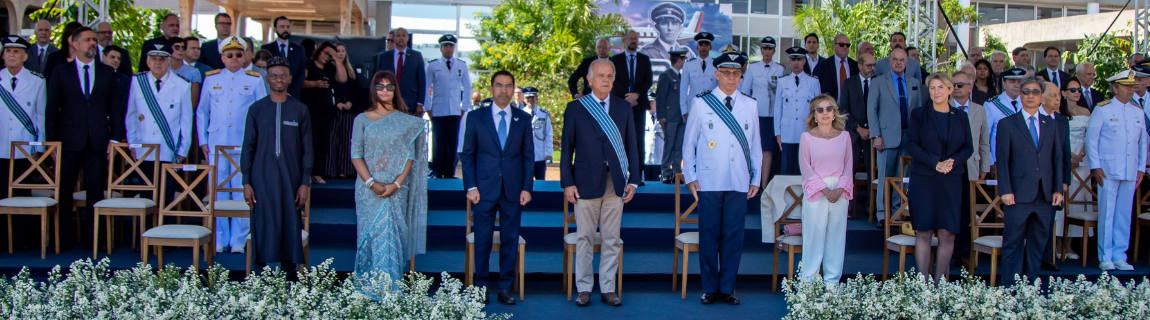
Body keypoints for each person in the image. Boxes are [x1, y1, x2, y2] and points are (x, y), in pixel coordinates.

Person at [560, 58, 640, 307]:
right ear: (590, 80)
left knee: (611, 238)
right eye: (601, 76)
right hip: (584, 182)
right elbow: (566, 150)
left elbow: (631, 147)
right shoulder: (575, 108)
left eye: (609, 76)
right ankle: (584, 288)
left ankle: (608, 288)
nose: (606, 80)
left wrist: (634, 180)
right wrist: (567, 182)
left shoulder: (623, 108)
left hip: (615, 181)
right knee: (584, 237)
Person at [683, 51, 760, 304]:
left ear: (741, 76)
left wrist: (756, 178)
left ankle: (727, 288)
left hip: (738, 180)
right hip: (709, 181)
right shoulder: (701, 103)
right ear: (717, 74)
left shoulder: (750, 105)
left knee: (733, 237)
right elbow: (689, 143)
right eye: (726, 73)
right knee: (709, 236)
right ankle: (709, 288)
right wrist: (690, 176)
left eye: (736, 73)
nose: (731, 78)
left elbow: (756, 146)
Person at [45, 27, 123, 247]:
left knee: (95, 192)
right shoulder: (61, 71)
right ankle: (62, 240)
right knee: (65, 190)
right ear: (74, 43)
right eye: (88, 40)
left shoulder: (107, 72)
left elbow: (115, 108)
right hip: (68, 141)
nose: (92, 43)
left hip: (97, 141)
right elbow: (51, 109)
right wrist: (51, 144)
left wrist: (115, 138)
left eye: (94, 40)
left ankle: (95, 240)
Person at [460, 70, 533, 305]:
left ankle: (505, 288)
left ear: (514, 89)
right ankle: (480, 287)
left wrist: (526, 188)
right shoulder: (476, 117)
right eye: (499, 86)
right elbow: (468, 155)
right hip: (483, 190)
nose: (504, 90)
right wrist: (470, 186)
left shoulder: (523, 119)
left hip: (513, 190)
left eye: (508, 86)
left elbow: (528, 157)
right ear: (491, 89)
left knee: (510, 239)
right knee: (482, 239)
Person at [350, 70, 428, 287]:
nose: (385, 90)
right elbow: (356, 154)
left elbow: (410, 156)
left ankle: (392, 290)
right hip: (368, 190)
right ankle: (368, 289)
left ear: (395, 90)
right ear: (373, 90)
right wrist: (371, 183)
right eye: (380, 86)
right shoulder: (361, 119)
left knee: (392, 238)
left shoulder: (406, 121)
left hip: (396, 190)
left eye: (389, 86)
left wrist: (396, 184)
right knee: (372, 237)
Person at [240, 55, 312, 281]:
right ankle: (260, 273)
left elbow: (307, 148)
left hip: (291, 179)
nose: (278, 79)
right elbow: (248, 146)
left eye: (282, 75)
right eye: (273, 76)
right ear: (267, 79)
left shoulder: (300, 109)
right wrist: (246, 181)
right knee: (262, 222)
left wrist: (305, 182)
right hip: (261, 178)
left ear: (289, 78)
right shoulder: (256, 109)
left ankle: (289, 273)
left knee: (289, 222)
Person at [196, 36, 268, 253]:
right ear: (222, 57)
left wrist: (258, 142)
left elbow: (262, 113)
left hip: (243, 143)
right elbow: (202, 111)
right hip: (216, 142)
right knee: (217, 190)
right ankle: (219, 237)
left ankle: (239, 238)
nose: (235, 58)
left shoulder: (254, 79)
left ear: (245, 55)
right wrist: (202, 141)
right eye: (230, 55)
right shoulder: (211, 79)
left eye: (239, 54)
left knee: (241, 189)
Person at [905, 73, 973, 282]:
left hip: (951, 180)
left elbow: (968, 147)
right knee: (924, 232)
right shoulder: (919, 114)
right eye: (933, 88)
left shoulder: (960, 116)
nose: (936, 92)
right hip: (924, 179)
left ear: (950, 90)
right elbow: (912, 145)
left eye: (941, 87)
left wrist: (950, 162)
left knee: (947, 233)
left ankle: (939, 284)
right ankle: (923, 284)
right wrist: (936, 162)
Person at [997, 77, 1064, 287]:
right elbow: (1003, 160)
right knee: (1013, 243)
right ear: (1021, 95)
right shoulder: (1007, 123)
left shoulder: (1052, 124)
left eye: (1035, 92)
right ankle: (1010, 288)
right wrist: (1005, 190)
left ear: (1042, 96)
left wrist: (1058, 189)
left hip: (1045, 195)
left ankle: (1031, 287)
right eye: (1026, 92)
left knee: (1038, 243)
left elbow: (1058, 159)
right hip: (1017, 194)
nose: (1031, 96)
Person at [1086, 70, 1148, 272]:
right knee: (1107, 213)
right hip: (1108, 169)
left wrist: (1140, 167)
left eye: (1133, 85)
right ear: (1115, 88)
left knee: (1123, 214)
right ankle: (1105, 256)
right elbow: (1091, 139)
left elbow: (1143, 142)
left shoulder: (1137, 110)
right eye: (1127, 86)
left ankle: (1120, 254)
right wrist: (1095, 166)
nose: (1132, 89)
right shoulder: (1103, 109)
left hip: (1130, 169)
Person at [125, 42, 193, 211]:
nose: (158, 62)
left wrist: (182, 151)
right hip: (144, 149)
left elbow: (186, 121)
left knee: (166, 200)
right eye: (154, 59)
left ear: (169, 61)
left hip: (168, 150)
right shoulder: (137, 81)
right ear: (147, 62)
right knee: (146, 200)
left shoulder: (182, 85)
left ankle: (163, 234)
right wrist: (132, 142)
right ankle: (146, 235)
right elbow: (131, 115)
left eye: (162, 59)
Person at [797, 94, 852, 288]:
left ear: (835, 112)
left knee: (836, 237)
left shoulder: (845, 136)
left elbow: (848, 165)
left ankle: (832, 284)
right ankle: (809, 284)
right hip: (816, 192)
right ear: (814, 114)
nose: (825, 113)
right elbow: (805, 167)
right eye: (820, 110)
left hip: (839, 191)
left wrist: (839, 188)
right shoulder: (806, 137)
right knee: (814, 236)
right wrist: (824, 189)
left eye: (829, 109)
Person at [0, 36, 46, 248]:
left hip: (24, 147)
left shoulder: (37, 81)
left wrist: (38, 147)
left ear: (25, 56)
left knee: (21, 194)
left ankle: (22, 240)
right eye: (8, 51)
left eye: (17, 51)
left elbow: (40, 116)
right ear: (3, 55)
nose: (12, 55)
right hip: (0, 145)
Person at [867, 48, 921, 227]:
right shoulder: (878, 81)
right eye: (895, 60)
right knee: (885, 176)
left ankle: (897, 212)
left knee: (902, 177)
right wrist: (876, 135)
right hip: (886, 137)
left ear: (907, 62)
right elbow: (871, 110)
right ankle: (882, 214)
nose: (899, 63)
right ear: (889, 62)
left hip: (909, 135)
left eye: (902, 60)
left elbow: (919, 112)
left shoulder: (914, 82)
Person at [948, 70, 990, 271]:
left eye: (961, 85)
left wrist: (984, 167)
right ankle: (948, 252)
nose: (957, 88)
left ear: (970, 87)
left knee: (966, 212)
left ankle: (963, 252)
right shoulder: (943, 108)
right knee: (950, 211)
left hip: (970, 168)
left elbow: (984, 142)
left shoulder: (979, 110)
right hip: (948, 169)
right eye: (954, 85)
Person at [737, 37, 784, 187]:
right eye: (765, 48)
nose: (767, 51)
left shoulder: (780, 69)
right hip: (757, 115)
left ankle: (764, 185)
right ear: (761, 50)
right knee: (755, 149)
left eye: (770, 49)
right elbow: (745, 92)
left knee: (769, 150)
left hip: (774, 116)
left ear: (774, 51)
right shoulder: (753, 68)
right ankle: (752, 181)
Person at [425, 34, 471, 179]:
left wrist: (464, 107)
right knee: (438, 142)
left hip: (454, 110)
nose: (448, 48)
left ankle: (449, 172)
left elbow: (467, 86)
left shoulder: (461, 65)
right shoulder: (433, 65)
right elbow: (426, 87)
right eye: (445, 45)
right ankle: (438, 172)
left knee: (452, 142)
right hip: (438, 110)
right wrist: (428, 108)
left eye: (451, 45)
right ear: (441, 48)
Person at [1055, 77, 1090, 260]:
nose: (1077, 93)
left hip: (1082, 163)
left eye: (1079, 90)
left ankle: (1070, 245)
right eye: (1073, 90)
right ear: (1064, 92)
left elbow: (1091, 137)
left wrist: (1081, 154)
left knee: (1079, 202)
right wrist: (1069, 157)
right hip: (1064, 161)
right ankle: (1058, 244)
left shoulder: (1086, 112)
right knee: (1062, 204)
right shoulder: (1059, 113)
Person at [301, 41, 345, 185]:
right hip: (310, 110)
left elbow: (343, 79)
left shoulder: (330, 68)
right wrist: (315, 84)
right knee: (309, 142)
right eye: (325, 52)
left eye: (330, 54)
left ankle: (317, 173)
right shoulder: (308, 63)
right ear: (319, 51)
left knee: (323, 143)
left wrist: (337, 59)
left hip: (327, 111)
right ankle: (306, 173)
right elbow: (299, 81)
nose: (327, 56)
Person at [612, 30, 654, 178]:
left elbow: (648, 80)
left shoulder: (644, 59)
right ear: (624, 41)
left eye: (635, 39)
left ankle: (637, 175)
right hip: (620, 106)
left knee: (638, 140)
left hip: (638, 106)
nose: (633, 41)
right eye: (630, 39)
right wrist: (627, 98)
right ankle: (621, 174)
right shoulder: (615, 60)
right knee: (620, 138)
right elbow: (614, 81)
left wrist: (636, 95)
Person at [1039, 80, 1071, 272]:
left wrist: (1064, 181)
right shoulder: (1032, 118)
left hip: (1053, 180)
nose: (1058, 99)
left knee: (1049, 220)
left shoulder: (1061, 121)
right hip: (1032, 179)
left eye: (1059, 95)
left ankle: (1047, 258)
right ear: (1042, 97)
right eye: (1053, 95)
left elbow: (1065, 153)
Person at [839, 53, 875, 217]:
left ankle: (871, 208)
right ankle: (848, 208)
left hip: (873, 135)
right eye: (868, 65)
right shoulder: (848, 83)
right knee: (849, 172)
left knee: (872, 172)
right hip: (853, 134)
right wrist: (858, 128)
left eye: (873, 65)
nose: (871, 68)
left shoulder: (879, 83)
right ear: (860, 65)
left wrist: (871, 130)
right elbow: (843, 110)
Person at [775, 47, 820, 175]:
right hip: (787, 132)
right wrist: (778, 132)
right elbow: (778, 108)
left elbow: (818, 109)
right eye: (793, 59)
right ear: (789, 61)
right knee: (787, 169)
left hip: (806, 130)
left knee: (805, 169)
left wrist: (817, 130)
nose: (796, 62)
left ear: (804, 61)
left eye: (799, 59)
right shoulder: (782, 82)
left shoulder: (813, 82)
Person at [370, 27, 426, 116]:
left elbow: (422, 82)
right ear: (394, 38)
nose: (401, 38)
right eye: (398, 35)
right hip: (387, 101)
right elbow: (377, 81)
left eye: (403, 35)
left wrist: (420, 103)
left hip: (410, 101)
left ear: (407, 38)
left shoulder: (416, 56)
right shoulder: (383, 57)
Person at [326, 42, 361, 178]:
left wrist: (349, 103)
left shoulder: (351, 70)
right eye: (337, 51)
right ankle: (331, 170)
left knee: (347, 140)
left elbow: (357, 90)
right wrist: (337, 103)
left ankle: (345, 170)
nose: (340, 53)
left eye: (342, 51)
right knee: (332, 139)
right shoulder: (329, 69)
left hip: (349, 109)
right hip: (333, 107)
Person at [985, 67, 1027, 173]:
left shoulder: (1029, 103)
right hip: (1000, 161)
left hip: (1025, 161)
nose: (1017, 85)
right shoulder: (991, 105)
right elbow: (985, 136)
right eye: (1012, 82)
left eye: (1019, 82)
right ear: (1004, 83)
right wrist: (990, 160)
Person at [657, 49, 688, 183]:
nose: (684, 62)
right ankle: (665, 172)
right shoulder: (666, 75)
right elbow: (660, 97)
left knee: (678, 145)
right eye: (683, 60)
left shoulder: (680, 76)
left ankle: (677, 172)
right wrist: (661, 116)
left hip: (680, 116)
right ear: (679, 60)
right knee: (669, 144)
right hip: (670, 117)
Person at [259, 17, 307, 98]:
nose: (286, 29)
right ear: (275, 29)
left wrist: (291, 92)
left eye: (287, 26)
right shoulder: (267, 48)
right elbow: (264, 71)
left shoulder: (299, 49)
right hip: (271, 95)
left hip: (293, 96)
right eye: (282, 26)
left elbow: (301, 73)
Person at [679, 32, 717, 119]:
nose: (703, 47)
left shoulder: (716, 65)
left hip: (712, 107)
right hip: (693, 107)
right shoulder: (688, 65)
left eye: (706, 45)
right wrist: (684, 111)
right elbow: (683, 89)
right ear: (697, 47)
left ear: (710, 47)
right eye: (701, 44)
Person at [811, 34, 858, 100]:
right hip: (829, 108)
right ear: (834, 46)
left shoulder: (855, 66)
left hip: (850, 109)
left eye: (847, 45)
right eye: (841, 44)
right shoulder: (823, 65)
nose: (845, 47)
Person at [521, 87, 553, 180]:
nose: (530, 99)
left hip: (540, 155)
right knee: (525, 182)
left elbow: (548, 134)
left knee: (541, 182)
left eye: (533, 97)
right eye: (528, 98)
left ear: (536, 98)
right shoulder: (520, 114)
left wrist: (549, 153)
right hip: (525, 156)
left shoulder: (544, 114)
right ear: (524, 99)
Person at [165, 37, 202, 106]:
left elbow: (193, 100)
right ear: (169, 48)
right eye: (177, 47)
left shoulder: (193, 71)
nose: (181, 50)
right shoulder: (164, 70)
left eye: (183, 48)